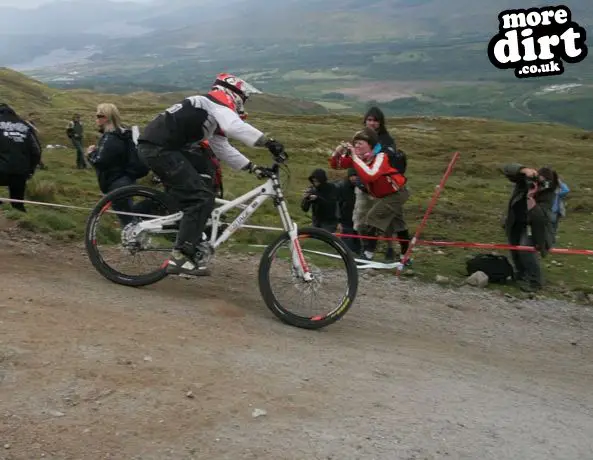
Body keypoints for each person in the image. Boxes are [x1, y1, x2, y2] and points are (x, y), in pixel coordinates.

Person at [137, 73, 285, 277]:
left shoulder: (210, 111)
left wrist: (252, 167)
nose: (244, 103)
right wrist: (267, 142)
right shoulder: (215, 102)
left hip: (163, 148)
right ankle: (180, 256)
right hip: (159, 149)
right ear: (233, 93)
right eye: (244, 98)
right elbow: (234, 126)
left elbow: (222, 148)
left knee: (199, 195)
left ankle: (189, 243)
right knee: (201, 198)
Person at [329, 128, 411, 265]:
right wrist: (338, 151)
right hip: (386, 194)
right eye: (355, 143)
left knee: (373, 217)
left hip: (396, 193)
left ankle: (368, 254)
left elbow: (371, 175)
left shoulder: (381, 157)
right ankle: (405, 257)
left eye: (360, 143)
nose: (356, 146)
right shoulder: (360, 158)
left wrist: (354, 157)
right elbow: (335, 164)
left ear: (370, 144)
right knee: (399, 224)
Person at [86, 103, 148, 226]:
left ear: (107, 118)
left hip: (116, 182)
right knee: (128, 215)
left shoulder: (111, 137)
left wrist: (90, 153)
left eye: (99, 115)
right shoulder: (123, 135)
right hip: (126, 179)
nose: (96, 119)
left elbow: (100, 162)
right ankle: (135, 241)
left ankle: (135, 242)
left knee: (127, 219)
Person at [503, 163, 557, 292]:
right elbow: (506, 168)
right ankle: (521, 275)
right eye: (538, 180)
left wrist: (531, 198)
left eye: (542, 183)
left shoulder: (549, 195)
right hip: (516, 221)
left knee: (525, 249)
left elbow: (540, 218)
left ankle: (535, 281)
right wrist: (524, 170)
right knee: (514, 249)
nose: (538, 185)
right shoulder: (524, 182)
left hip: (534, 227)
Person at [0, 103, 41, 212]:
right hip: (20, 171)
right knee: (18, 203)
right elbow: (36, 151)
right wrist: (30, 170)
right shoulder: (25, 126)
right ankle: (22, 218)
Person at [301, 168, 338, 233]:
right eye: (313, 181)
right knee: (315, 240)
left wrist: (317, 199)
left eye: (317, 181)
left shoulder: (331, 188)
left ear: (322, 180)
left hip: (329, 222)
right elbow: (305, 208)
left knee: (326, 240)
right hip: (316, 221)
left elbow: (331, 205)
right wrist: (306, 199)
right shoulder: (312, 189)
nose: (315, 183)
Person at [335, 168, 361, 255]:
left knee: (358, 245)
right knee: (347, 247)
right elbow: (337, 204)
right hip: (345, 220)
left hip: (358, 219)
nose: (354, 178)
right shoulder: (342, 186)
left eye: (355, 176)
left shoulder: (361, 186)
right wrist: (338, 221)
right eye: (352, 176)